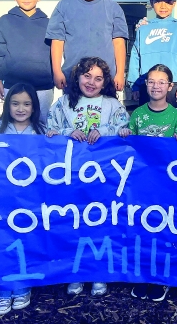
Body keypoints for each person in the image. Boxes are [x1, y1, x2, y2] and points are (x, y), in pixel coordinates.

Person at [47, 57, 129, 296]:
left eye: (98, 78)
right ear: (77, 77)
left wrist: (101, 131)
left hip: (103, 177)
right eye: (86, 76)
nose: (91, 82)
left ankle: (98, 272)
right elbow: (50, 131)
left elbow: (124, 128)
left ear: (105, 83)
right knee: (74, 224)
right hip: (71, 176)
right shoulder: (62, 104)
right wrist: (67, 132)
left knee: (100, 224)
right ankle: (76, 271)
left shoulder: (113, 104)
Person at [119, 64, 177, 302]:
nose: (156, 86)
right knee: (143, 229)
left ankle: (162, 278)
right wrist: (125, 134)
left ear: (170, 86)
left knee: (165, 229)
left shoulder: (176, 116)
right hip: (142, 185)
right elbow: (129, 145)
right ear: (146, 84)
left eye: (161, 81)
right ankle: (145, 274)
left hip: (167, 186)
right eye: (151, 81)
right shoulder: (137, 115)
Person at [0, 83, 46, 315]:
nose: (21, 108)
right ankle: (3, 289)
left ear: (34, 107)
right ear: (7, 105)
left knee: (27, 243)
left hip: (30, 203)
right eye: (15, 103)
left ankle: (22, 287)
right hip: (1, 201)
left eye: (27, 104)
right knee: (2, 243)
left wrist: (53, 138)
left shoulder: (40, 131)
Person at [46, 0, 129, 92]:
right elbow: (57, 41)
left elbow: (119, 43)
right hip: (73, 78)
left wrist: (120, 73)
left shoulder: (113, 8)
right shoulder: (64, 6)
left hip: (106, 79)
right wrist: (57, 71)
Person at [0, 0, 55, 123]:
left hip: (43, 87)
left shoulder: (49, 23)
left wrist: (57, 76)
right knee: (14, 124)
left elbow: (55, 54)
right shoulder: (4, 21)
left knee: (41, 124)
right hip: (13, 85)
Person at [127, 0, 177, 108]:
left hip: (171, 84)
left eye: (167, 1)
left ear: (174, 3)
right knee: (146, 119)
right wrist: (134, 85)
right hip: (146, 83)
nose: (163, 6)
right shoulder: (143, 28)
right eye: (159, 1)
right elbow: (135, 57)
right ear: (152, 3)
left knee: (170, 120)